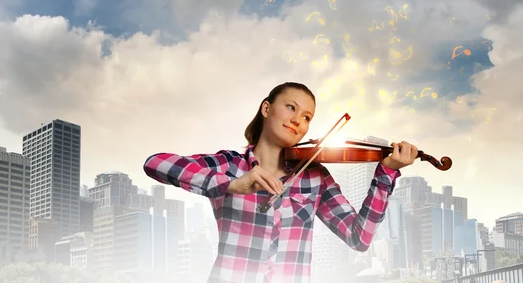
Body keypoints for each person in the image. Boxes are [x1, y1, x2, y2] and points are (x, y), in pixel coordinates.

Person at [143, 82, 418, 283]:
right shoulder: (229, 165)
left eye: (307, 117)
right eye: (291, 108)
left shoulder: (314, 176)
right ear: (266, 108)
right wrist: (232, 185)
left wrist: (386, 173)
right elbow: (155, 164)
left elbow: (359, 238)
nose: (298, 120)